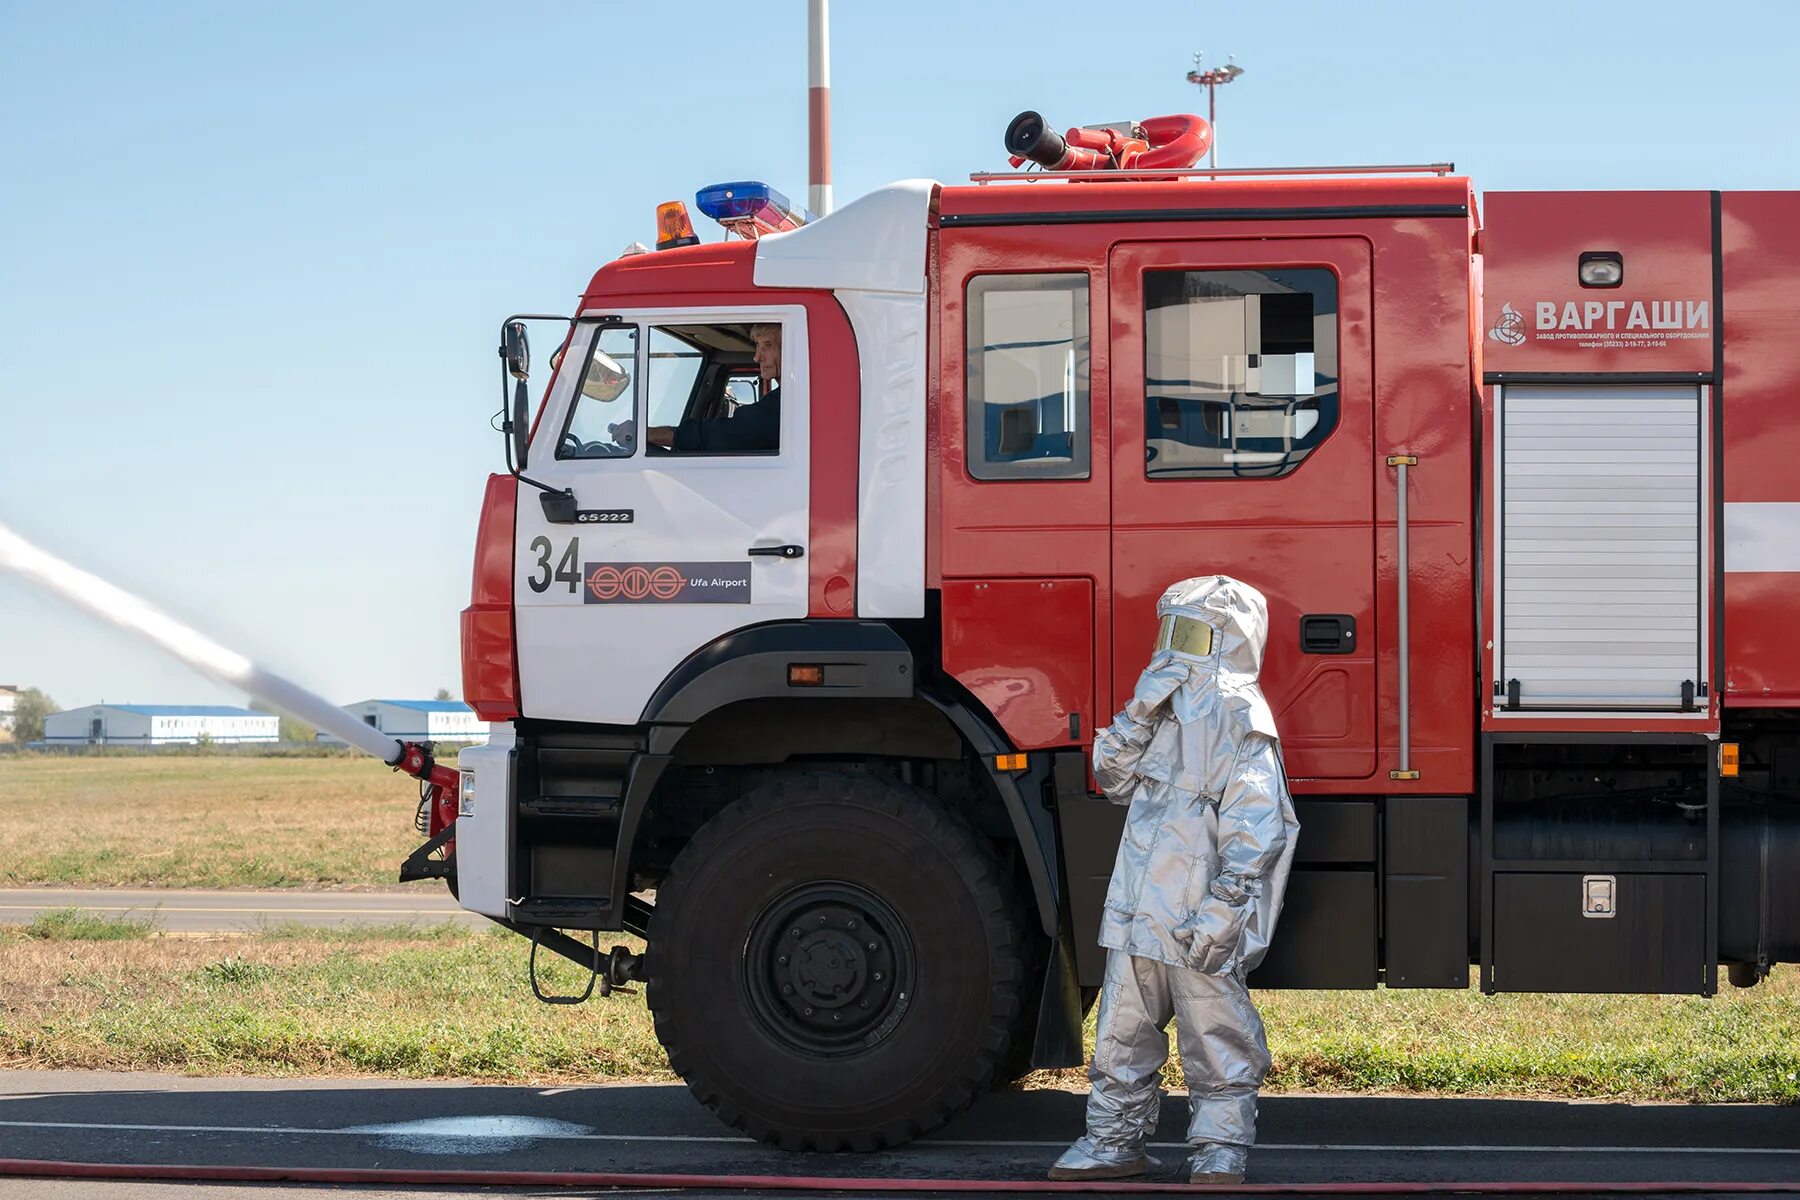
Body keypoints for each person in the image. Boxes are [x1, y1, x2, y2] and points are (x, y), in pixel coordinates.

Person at [1050, 576, 1299, 1186]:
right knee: (1120, 1035)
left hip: (1195, 915)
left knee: (1217, 1037)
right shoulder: (1161, 710)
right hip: (1139, 908)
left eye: (1186, 633)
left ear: (1225, 638)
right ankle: (1113, 1142)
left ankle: (1219, 1152)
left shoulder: (1241, 717)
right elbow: (1112, 779)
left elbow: (1258, 825)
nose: (1172, 650)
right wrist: (1139, 711)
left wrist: (1227, 906)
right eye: (1168, 631)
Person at [648, 323, 781, 453]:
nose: (757, 357)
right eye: (758, 345)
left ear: (791, 348)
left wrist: (655, 435)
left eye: (768, 345)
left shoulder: (785, 403)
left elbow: (733, 434)